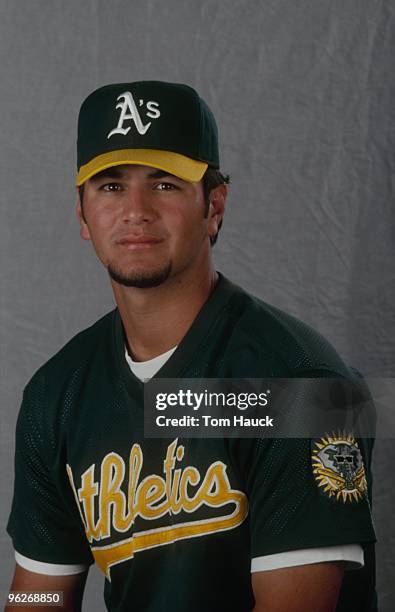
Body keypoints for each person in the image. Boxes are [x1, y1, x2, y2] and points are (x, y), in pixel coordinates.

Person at [6, 81, 376, 612]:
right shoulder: (57, 395)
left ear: (214, 205)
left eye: (164, 184)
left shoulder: (302, 387)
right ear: (82, 214)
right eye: (110, 186)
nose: (135, 210)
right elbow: (40, 592)